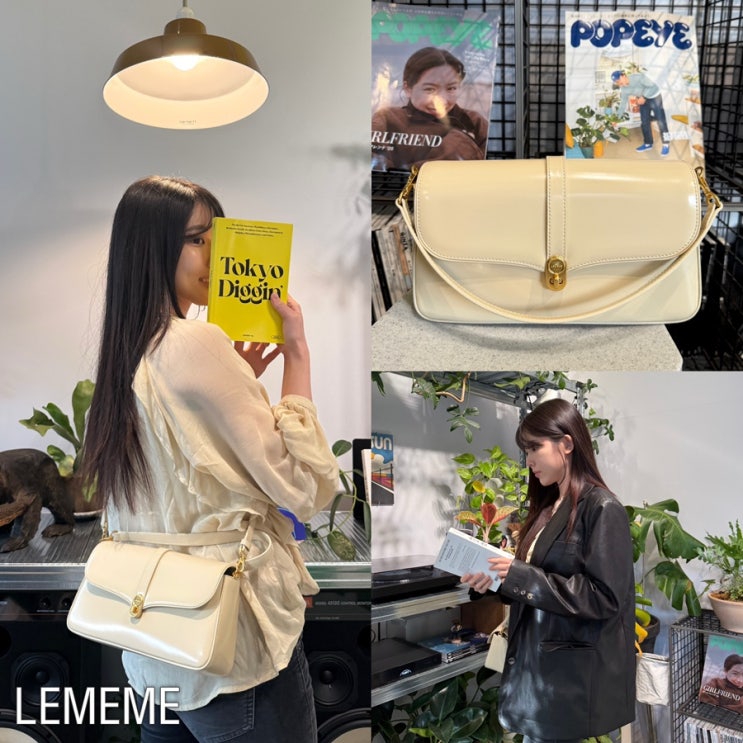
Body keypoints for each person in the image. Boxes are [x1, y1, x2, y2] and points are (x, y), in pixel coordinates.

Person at [81, 175, 339, 742]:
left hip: (154, 650)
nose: (215, 255)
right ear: (152, 247)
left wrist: (241, 380)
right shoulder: (195, 342)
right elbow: (302, 487)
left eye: (218, 238)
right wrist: (297, 353)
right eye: (198, 239)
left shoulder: (128, 350)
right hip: (228, 648)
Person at [462, 398, 635, 743]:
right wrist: (495, 579)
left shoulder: (602, 508)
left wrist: (519, 575)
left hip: (567, 682)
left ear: (566, 444)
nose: (528, 461)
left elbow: (604, 597)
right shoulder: (547, 507)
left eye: (534, 448)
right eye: (525, 451)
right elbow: (536, 579)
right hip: (537, 672)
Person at [372, 46, 489, 170]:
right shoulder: (387, 119)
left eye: (451, 88)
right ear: (408, 89)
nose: (442, 100)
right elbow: (376, 170)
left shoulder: (474, 121)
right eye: (430, 89)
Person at [612, 69, 671, 156]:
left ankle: (666, 144)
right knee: (644, 122)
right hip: (643, 100)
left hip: (654, 96)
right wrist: (616, 119)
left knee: (661, 121)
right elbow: (622, 104)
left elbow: (653, 86)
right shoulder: (624, 89)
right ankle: (648, 143)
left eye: (618, 80)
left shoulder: (638, 77)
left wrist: (643, 97)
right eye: (616, 82)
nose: (618, 83)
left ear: (623, 75)